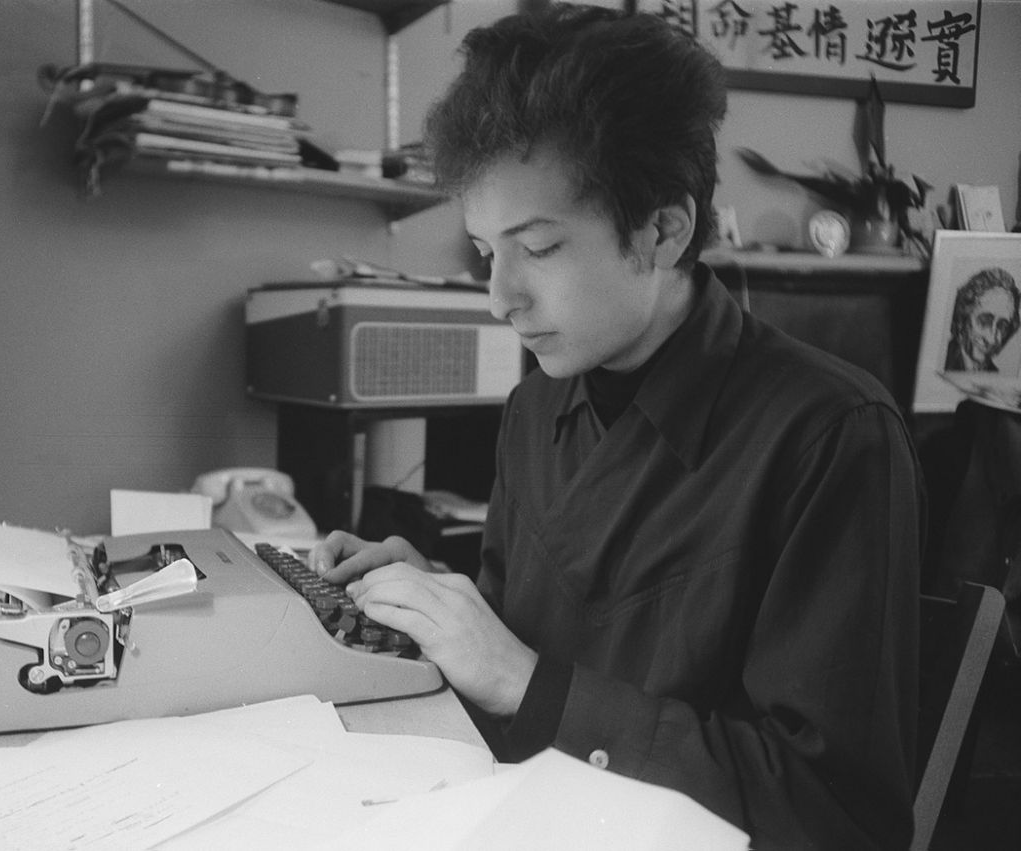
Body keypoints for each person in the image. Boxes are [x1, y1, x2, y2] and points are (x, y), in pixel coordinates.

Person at [308, 6, 923, 849]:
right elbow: (523, 637)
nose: (500, 298)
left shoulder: (828, 436)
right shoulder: (535, 408)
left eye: (539, 248)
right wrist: (434, 603)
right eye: (487, 252)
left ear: (664, 229)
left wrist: (525, 682)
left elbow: (832, 814)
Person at [943, 266, 1020, 372]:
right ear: (963, 318)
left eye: (1002, 326)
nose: (992, 339)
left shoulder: (994, 374)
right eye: (984, 321)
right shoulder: (942, 360)